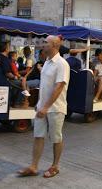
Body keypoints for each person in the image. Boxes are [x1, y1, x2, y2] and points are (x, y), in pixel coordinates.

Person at [18, 35, 70, 179]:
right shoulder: (47, 62)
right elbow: (45, 86)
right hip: (43, 107)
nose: (43, 45)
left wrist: (46, 107)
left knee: (56, 138)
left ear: (54, 45)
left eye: (46, 43)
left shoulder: (62, 64)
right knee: (38, 136)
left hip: (56, 108)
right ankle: (33, 166)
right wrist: (39, 104)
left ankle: (55, 166)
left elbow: (59, 87)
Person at [0, 42, 21, 107]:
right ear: (6, 49)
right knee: (21, 84)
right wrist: (15, 77)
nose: (9, 48)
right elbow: (8, 73)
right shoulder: (5, 59)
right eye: (9, 46)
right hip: (3, 80)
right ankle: (16, 103)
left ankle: (11, 101)